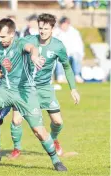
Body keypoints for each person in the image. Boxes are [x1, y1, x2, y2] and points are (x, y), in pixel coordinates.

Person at [0, 18, 67, 171]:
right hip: (4, 90)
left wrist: (35, 57)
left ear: (12, 34)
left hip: (24, 93)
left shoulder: (20, 43)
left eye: (3, 37)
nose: (0, 40)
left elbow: (32, 49)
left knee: (39, 131)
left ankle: (56, 161)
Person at [6, 13, 81, 159]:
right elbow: (12, 50)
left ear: (52, 28)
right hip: (24, 88)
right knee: (16, 120)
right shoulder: (28, 40)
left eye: (46, 28)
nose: (42, 31)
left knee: (58, 121)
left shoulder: (58, 46)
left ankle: (53, 138)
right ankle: (17, 149)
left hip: (45, 88)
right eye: (40, 28)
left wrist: (73, 89)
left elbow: (66, 66)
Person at [54, 16, 84, 83]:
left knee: (76, 56)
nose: (63, 25)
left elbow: (79, 45)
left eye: (65, 24)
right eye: (62, 24)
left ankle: (77, 75)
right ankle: (60, 75)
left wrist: (81, 55)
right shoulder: (56, 32)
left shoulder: (74, 32)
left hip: (72, 53)